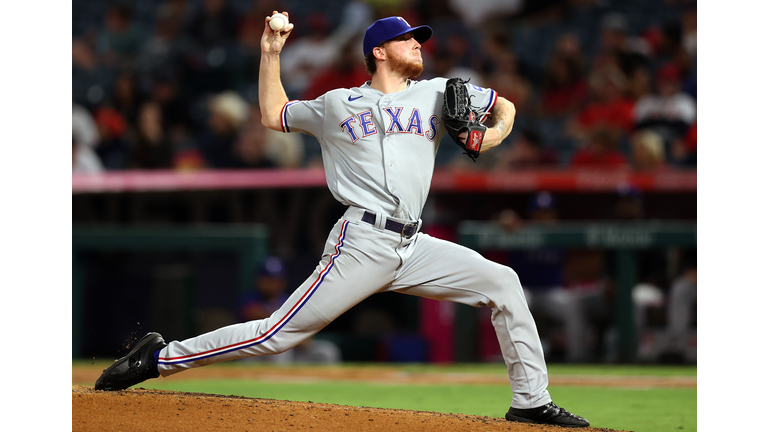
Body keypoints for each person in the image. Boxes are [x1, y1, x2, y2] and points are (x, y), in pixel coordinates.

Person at [95, 14, 589, 428]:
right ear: (378, 51)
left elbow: (505, 105)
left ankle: (530, 402)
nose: (419, 44)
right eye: (408, 38)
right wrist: (271, 52)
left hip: (415, 244)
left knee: (503, 282)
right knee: (277, 335)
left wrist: (492, 135)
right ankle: (157, 358)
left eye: (420, 39)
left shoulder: (439, 93)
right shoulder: (337, 104)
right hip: (363, 241)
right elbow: (273, 114)